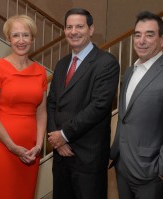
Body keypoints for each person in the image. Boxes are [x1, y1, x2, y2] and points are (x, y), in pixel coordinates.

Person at [110, 11, 163, 199]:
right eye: (137, 35)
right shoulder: (130, 71)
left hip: (151, 173)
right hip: (122, 165)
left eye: (149, 35)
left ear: (162, 39)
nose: (141, 40)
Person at [47, 8, 120, 199]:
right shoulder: (62, 64)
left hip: (88, 157)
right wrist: (57, 140)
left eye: (79, 26)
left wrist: (64, 134)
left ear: (90, 29)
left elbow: (99, 106)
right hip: (61, 155)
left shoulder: (106, 63)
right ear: (64, 31)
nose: (73, 31)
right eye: (69, 27)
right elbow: (52, 102)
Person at [0, 15, 47, 199]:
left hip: (30, 148)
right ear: (8, 39)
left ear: (32, 39)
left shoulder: (40, 71)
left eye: (25, 35)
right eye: (16, 35)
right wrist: (12, 146)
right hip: (1, 145)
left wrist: (39, 144)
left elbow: (41, 113)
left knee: (25, 193)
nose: (21, 40)